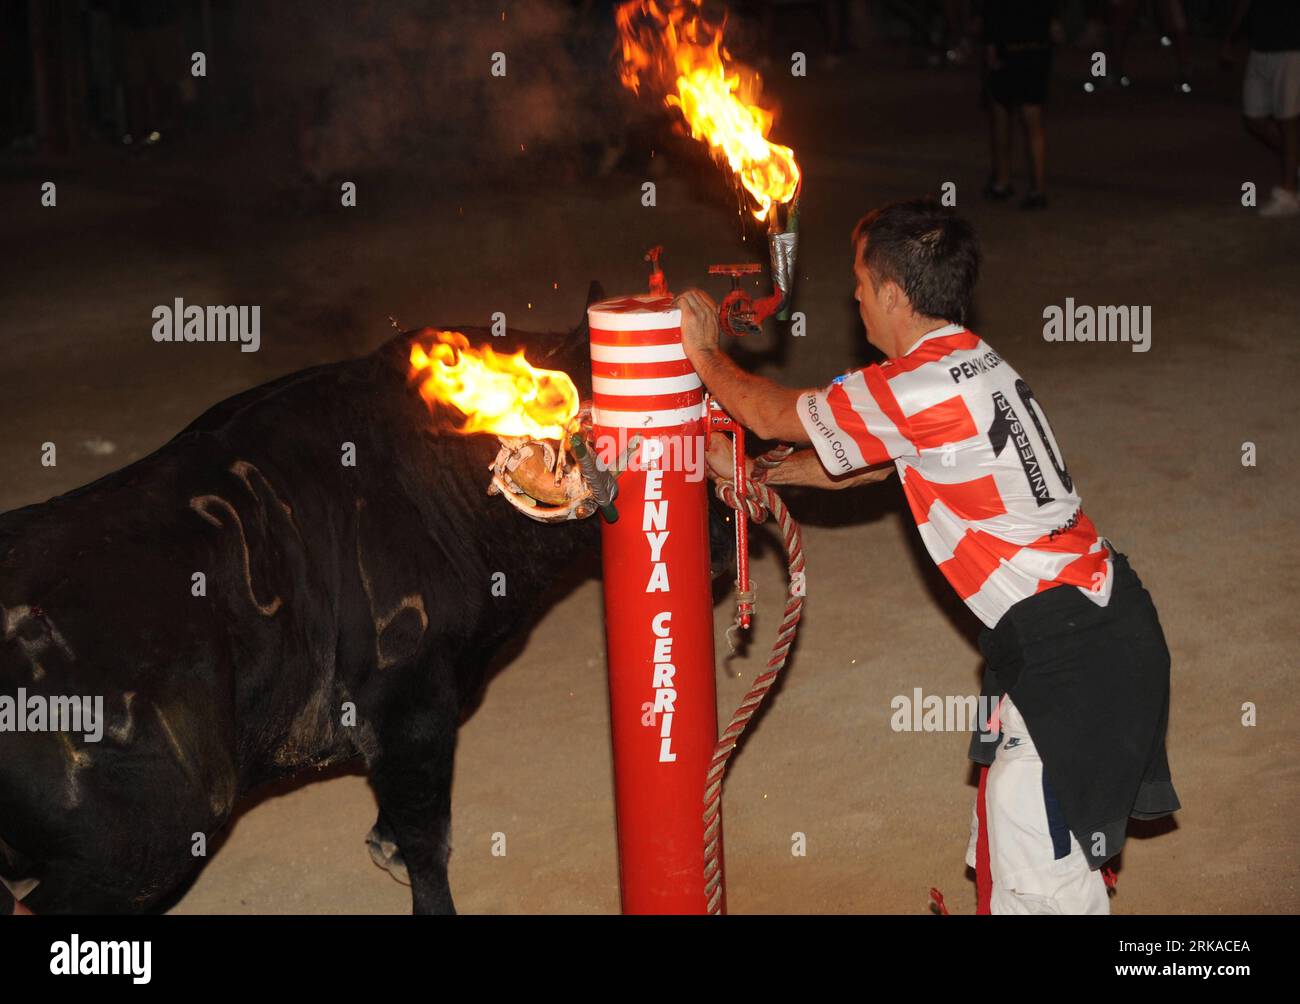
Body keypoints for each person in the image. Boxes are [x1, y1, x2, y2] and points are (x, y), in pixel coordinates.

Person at [676, 199, 1180, 914]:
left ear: (891, 294)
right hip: (1089, 626)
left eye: (858, 280)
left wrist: (703, 355)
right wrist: (762, 473)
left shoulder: (916, 387)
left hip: (1076, 650)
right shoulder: (962, 361)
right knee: (1012, 843)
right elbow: (875, 461)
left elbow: (767, 411)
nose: (852, 296)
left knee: (1029, 841)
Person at [1223, 0, 1300, 217]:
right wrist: (1230, 38)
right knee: (1253, 119)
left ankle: (1289, 192)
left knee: (1288, 119)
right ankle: (1295, 167)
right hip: (1261, 43)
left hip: (1292, 44)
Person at [981, 0, 1058, 209]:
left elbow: (992, 11)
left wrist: (990, 44)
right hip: (1037, 47)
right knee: (1033, 120)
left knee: (1002, 115)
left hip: (1008, 47)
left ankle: (1002, 181)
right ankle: (1038, 189)